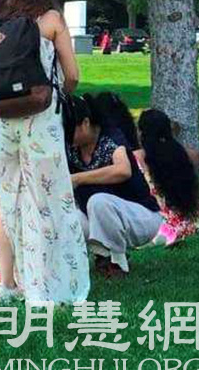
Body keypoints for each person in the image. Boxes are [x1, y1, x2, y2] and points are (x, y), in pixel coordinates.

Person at [0, 0, 88, 303]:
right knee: (44, 200)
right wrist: (60, 92)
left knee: (8, 199)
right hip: (39, 119)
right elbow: (73, 75)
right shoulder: (51, 19)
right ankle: (43, 288)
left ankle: (6, 284)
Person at [64, 93, 162, 277]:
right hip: (96, 215)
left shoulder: (110, 138)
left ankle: (117, 261)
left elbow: (123, 170)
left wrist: (77, 178)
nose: (66, 136)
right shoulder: (71, 148)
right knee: (69, 216)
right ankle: (93, 258)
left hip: (139, 215)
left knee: (99, 202)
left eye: (69, 130)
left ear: (85, 123)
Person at [136, 109, 199, 242]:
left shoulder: (137, 157)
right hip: (188, 223)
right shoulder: (187, 155)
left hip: (155, 225)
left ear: (141, 132)